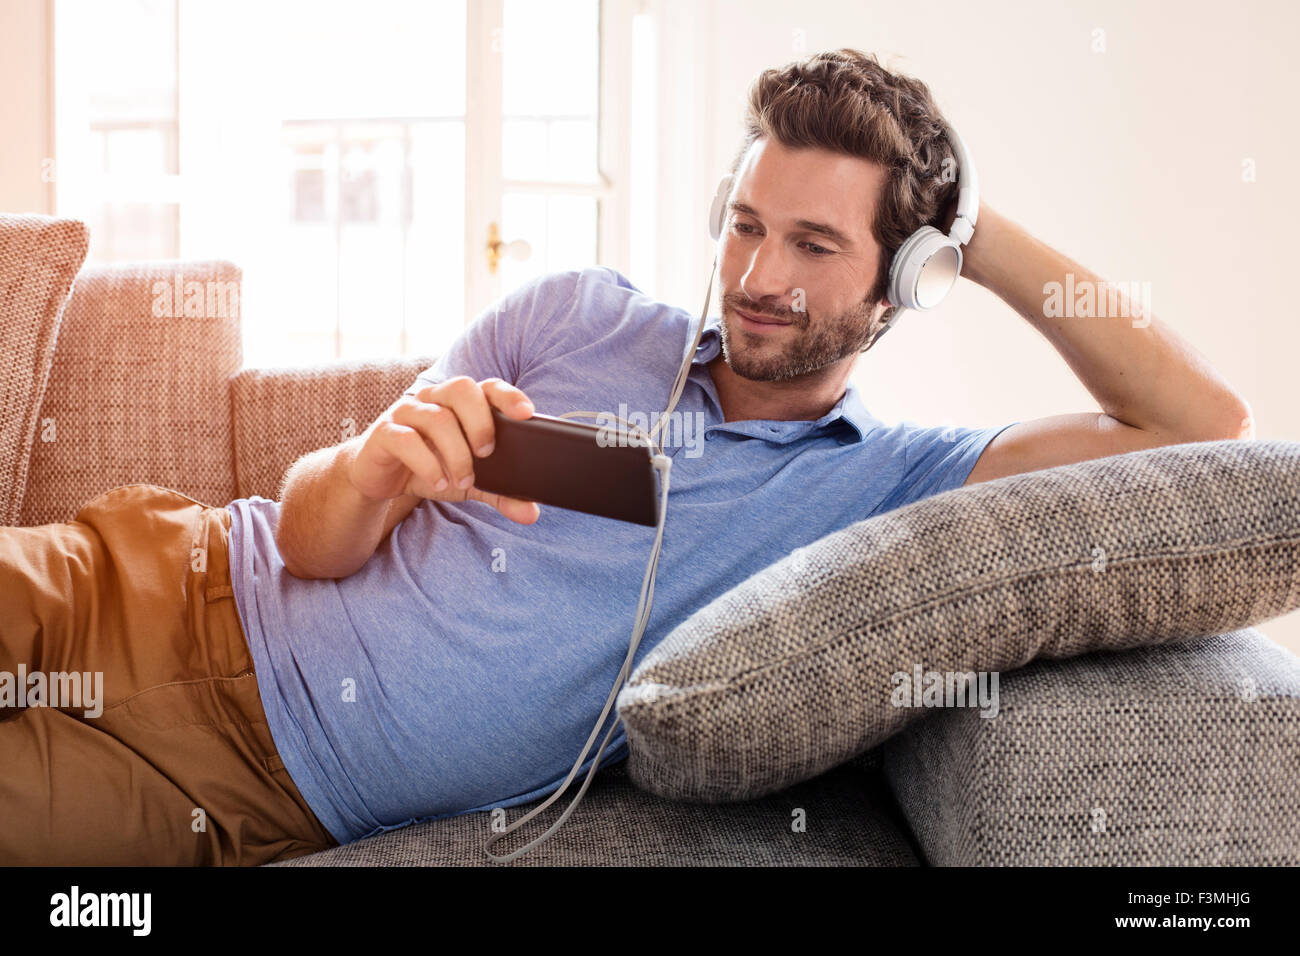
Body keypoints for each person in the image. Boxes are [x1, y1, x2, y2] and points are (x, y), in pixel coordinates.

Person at [0, 48, 1251, 865]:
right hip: (156, 577)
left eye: (816, 244)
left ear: (901, 282)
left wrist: (972, 233)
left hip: (244, 781)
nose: (760, 278)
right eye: (749, 226)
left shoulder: (888, 486)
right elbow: (320, 537)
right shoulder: (574, 320)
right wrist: (376, 465)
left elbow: (1198, 431)